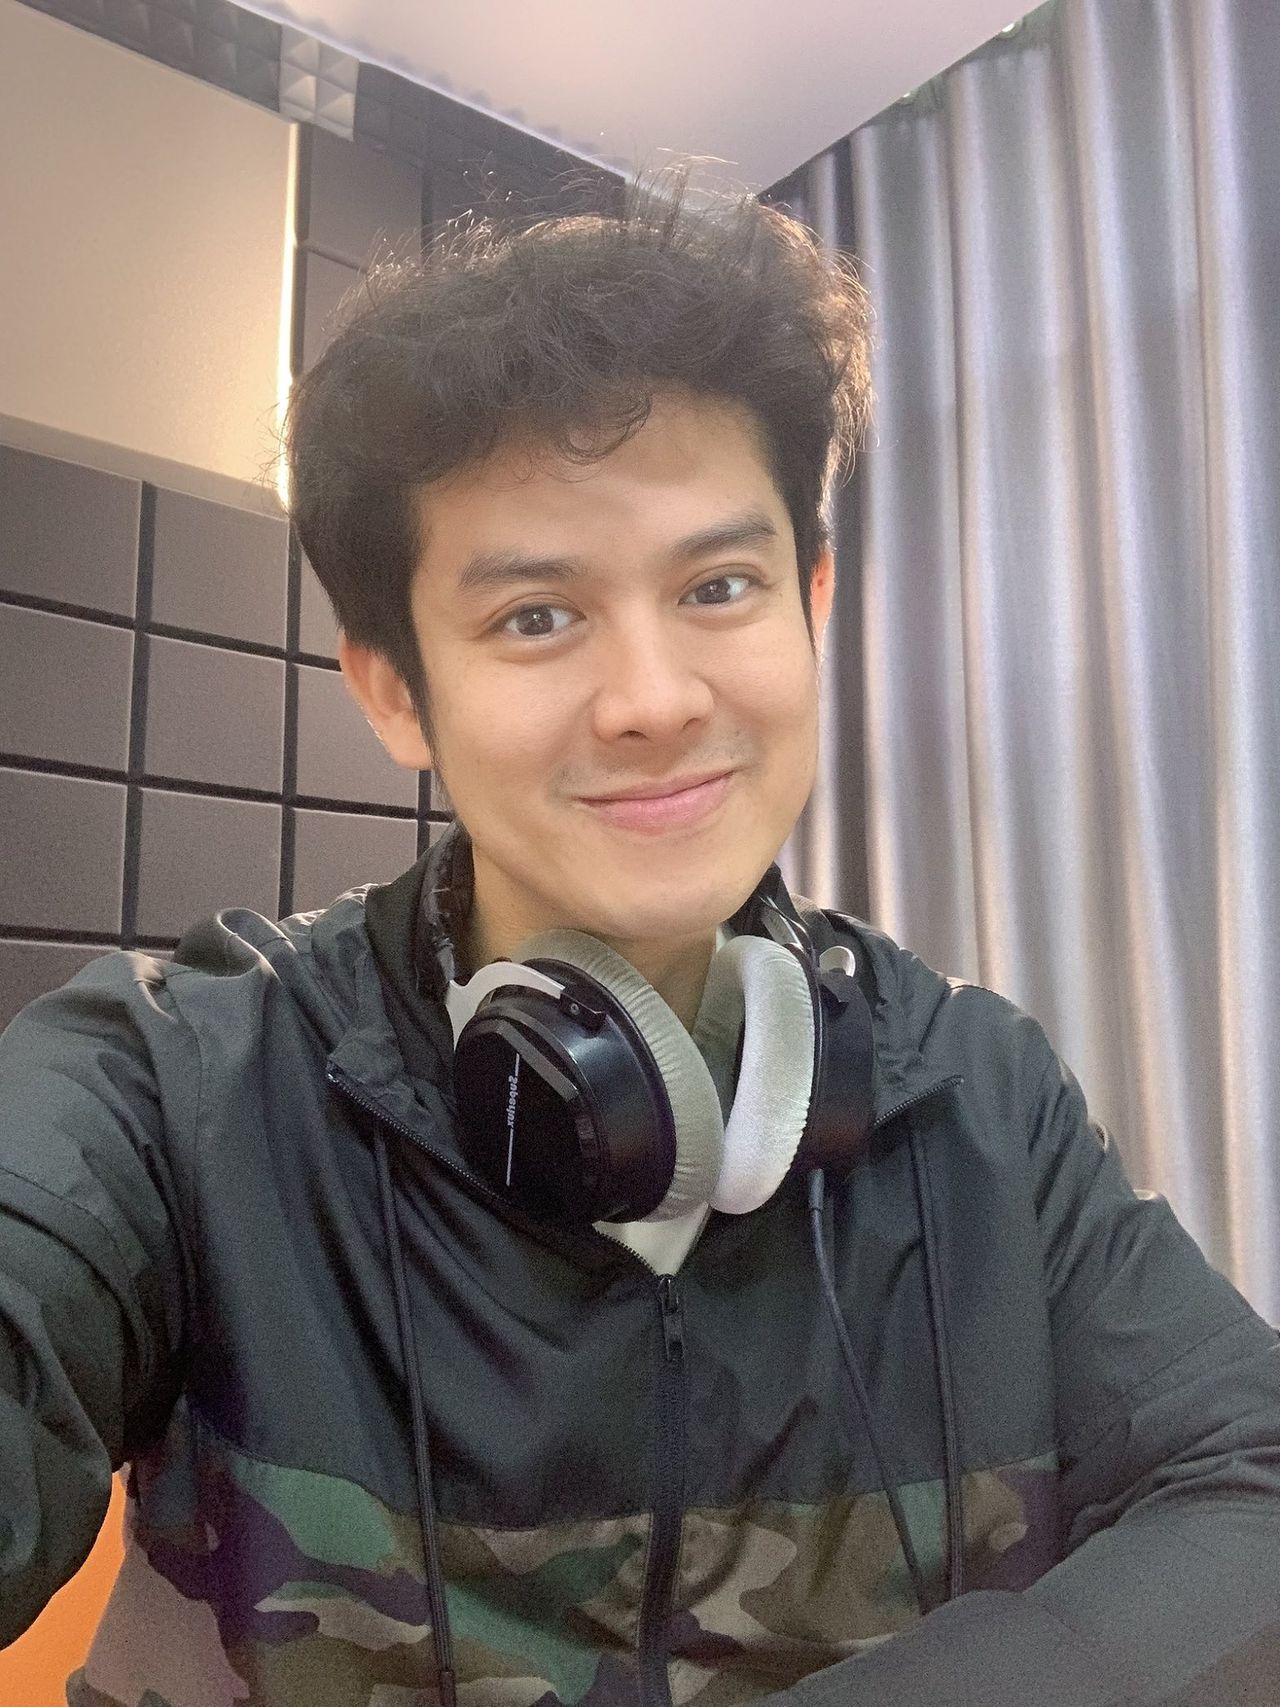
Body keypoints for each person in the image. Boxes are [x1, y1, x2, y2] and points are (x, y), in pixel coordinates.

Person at [2, 167, 1278, 1707]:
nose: (656, 699)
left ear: (812, 601)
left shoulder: (980, 1095)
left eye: (719, 586)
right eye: (536, 616)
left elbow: (1253, 1487)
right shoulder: (182, 1084)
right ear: (394, 687)